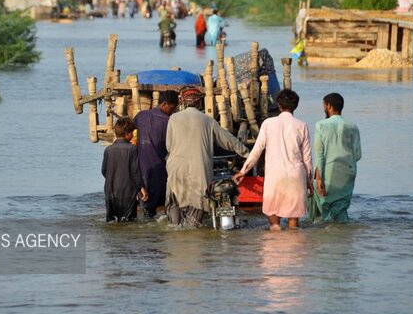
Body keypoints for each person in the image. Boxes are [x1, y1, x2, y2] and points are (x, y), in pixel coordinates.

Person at [165, 88, 249, 227]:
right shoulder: (207, 120)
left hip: (176, 168)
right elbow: (229, 140)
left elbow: (169, 146)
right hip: (199, 169)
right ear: (199, 103)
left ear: (183, 102)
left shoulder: (173, 119)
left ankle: (175, 227)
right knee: (198, 204)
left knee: (175, 200)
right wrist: (247, 153)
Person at [233, 89, 313, 230]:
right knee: (293, 223)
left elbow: (256, 151)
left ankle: (274, 245)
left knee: (274, 222)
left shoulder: (269, 124)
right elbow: (307, 159)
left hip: (275, 176)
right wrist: (309, 182)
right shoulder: (302, 126)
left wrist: (243, 171)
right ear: (295, 106)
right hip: (296, 176)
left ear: (279, 105)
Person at [309, 93, 362, 223]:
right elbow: (358, 155)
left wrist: (319, 178)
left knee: (323, 210)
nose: (324, 109)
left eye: (324, 106)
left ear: (329, 106)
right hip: (348, 174)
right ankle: (344, 240)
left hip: (328, 173)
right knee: (341, 211)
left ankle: (326, 238)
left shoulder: (320, 125)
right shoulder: (353, 127)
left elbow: (320, 154)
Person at [134, 90, 179, 218]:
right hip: (160, 168)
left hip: (142, 168)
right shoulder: (169, 122)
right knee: (162, 202)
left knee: (146, 204)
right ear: (164, 104)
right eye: (172, 107)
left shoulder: (141, 116)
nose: (173, 110)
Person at [101, 117, 148, 222]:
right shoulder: (132, 149)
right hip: (128, 191)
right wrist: (141, 187)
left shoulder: (108, 150)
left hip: (110, 191)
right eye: (132, 133)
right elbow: (135, 171)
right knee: (129, 221)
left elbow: (104, 171)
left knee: (112, 221)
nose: (132, 136)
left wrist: (112, 179)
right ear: (127, 133)